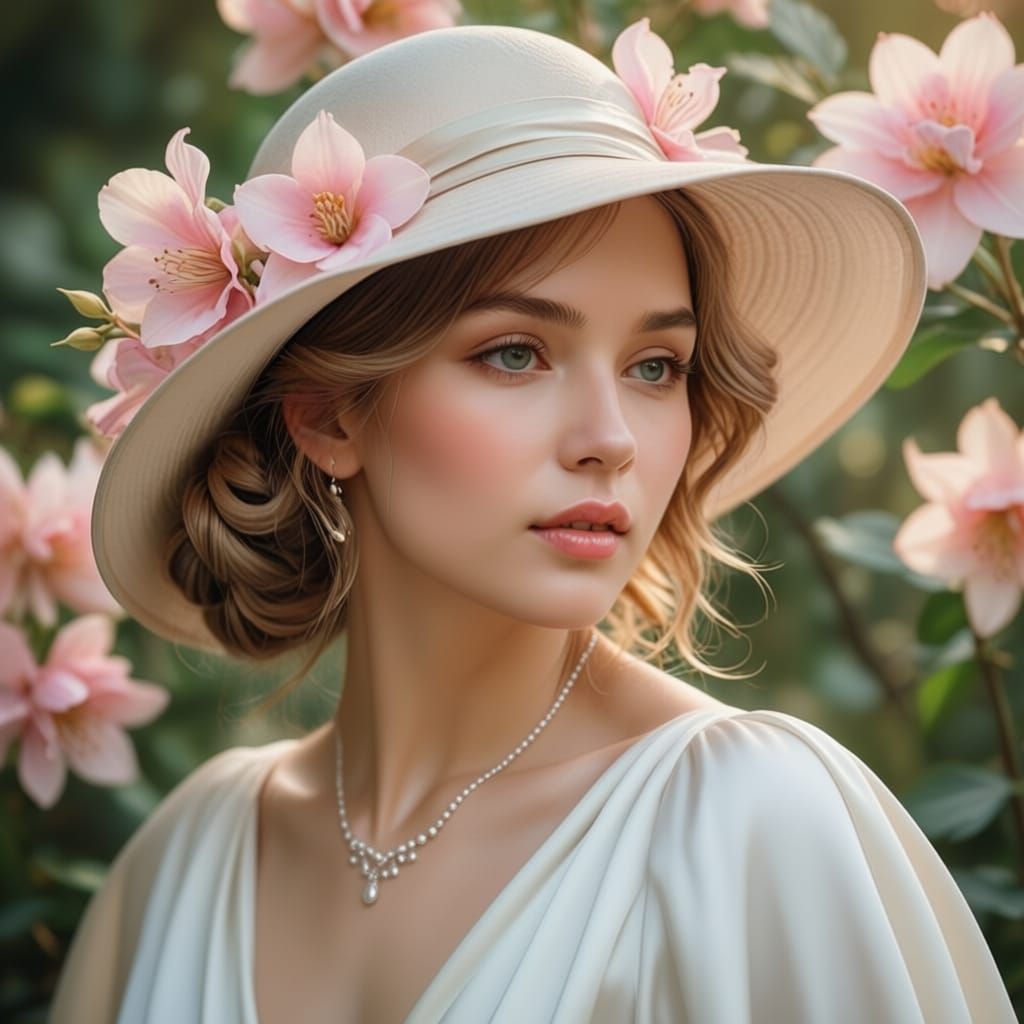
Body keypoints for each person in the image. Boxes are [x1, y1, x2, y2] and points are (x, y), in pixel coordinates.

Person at [49, 21, 1016, 1024]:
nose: (611, 440)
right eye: (515, 352)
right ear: (330, 414)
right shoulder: (173, 871)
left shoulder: (750, 823)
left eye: (656, 367)